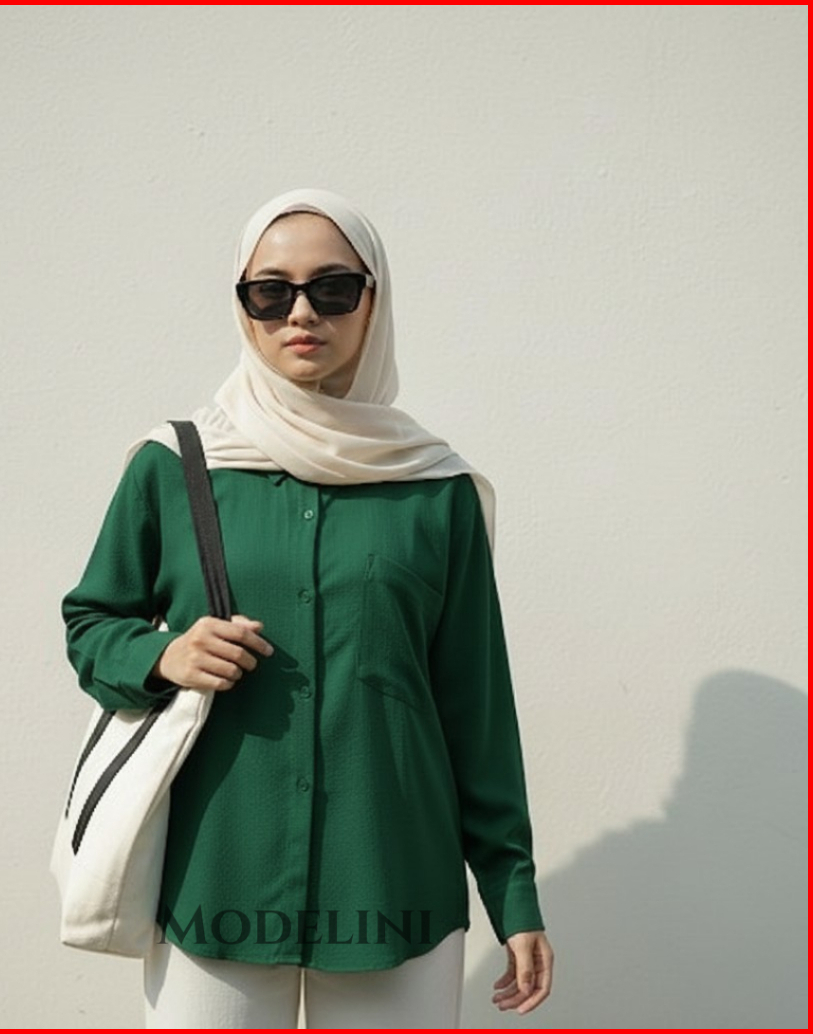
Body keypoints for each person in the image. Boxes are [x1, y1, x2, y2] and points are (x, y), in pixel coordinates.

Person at [61, 187, 554, 1028]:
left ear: (373, 301)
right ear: (243, 305)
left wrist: (514, 891)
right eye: (270, 291)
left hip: (394, 879)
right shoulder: (174, 466)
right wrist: (162, 656)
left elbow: (476, 707)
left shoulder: (435, 489)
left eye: (332, 288)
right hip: (214, 873)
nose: (301, 313)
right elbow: (92, 622)